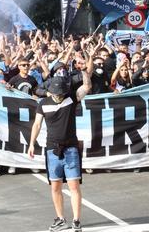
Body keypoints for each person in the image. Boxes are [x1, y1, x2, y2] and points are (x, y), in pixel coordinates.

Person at [27, 66, 92, 232]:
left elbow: (87, 87)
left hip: (71, 149)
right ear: (51, 92)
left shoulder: (71, 99)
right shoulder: (43, 104)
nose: (59, 96)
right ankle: (61, 219)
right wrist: (31, 143)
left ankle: (76, 221)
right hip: (52, 150)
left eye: (62, 93)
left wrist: (85, 71)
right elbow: (36, 124)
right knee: (55, 187)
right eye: (57, 93)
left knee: (74, 186)